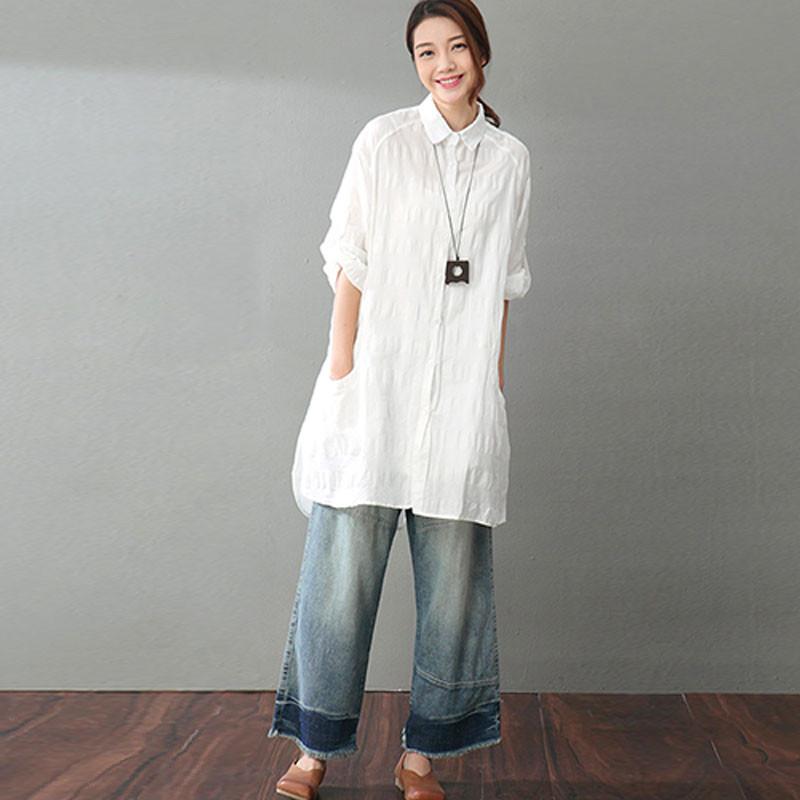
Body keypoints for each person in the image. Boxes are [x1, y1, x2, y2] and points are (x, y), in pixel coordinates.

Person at [268, 1, 532, 797]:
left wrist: (490, 380)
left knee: (454, 591)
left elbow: (505, 280)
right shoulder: (383, 141)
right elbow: (350, 255)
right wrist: (343, 366)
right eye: (425, 51)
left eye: (456, 47)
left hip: (460, 399)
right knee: (338, 582)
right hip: (376, 388)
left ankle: (422, 758)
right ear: (414, 62)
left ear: (480, 52)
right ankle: (312, 751)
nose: (442, 64)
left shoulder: (510, 160)